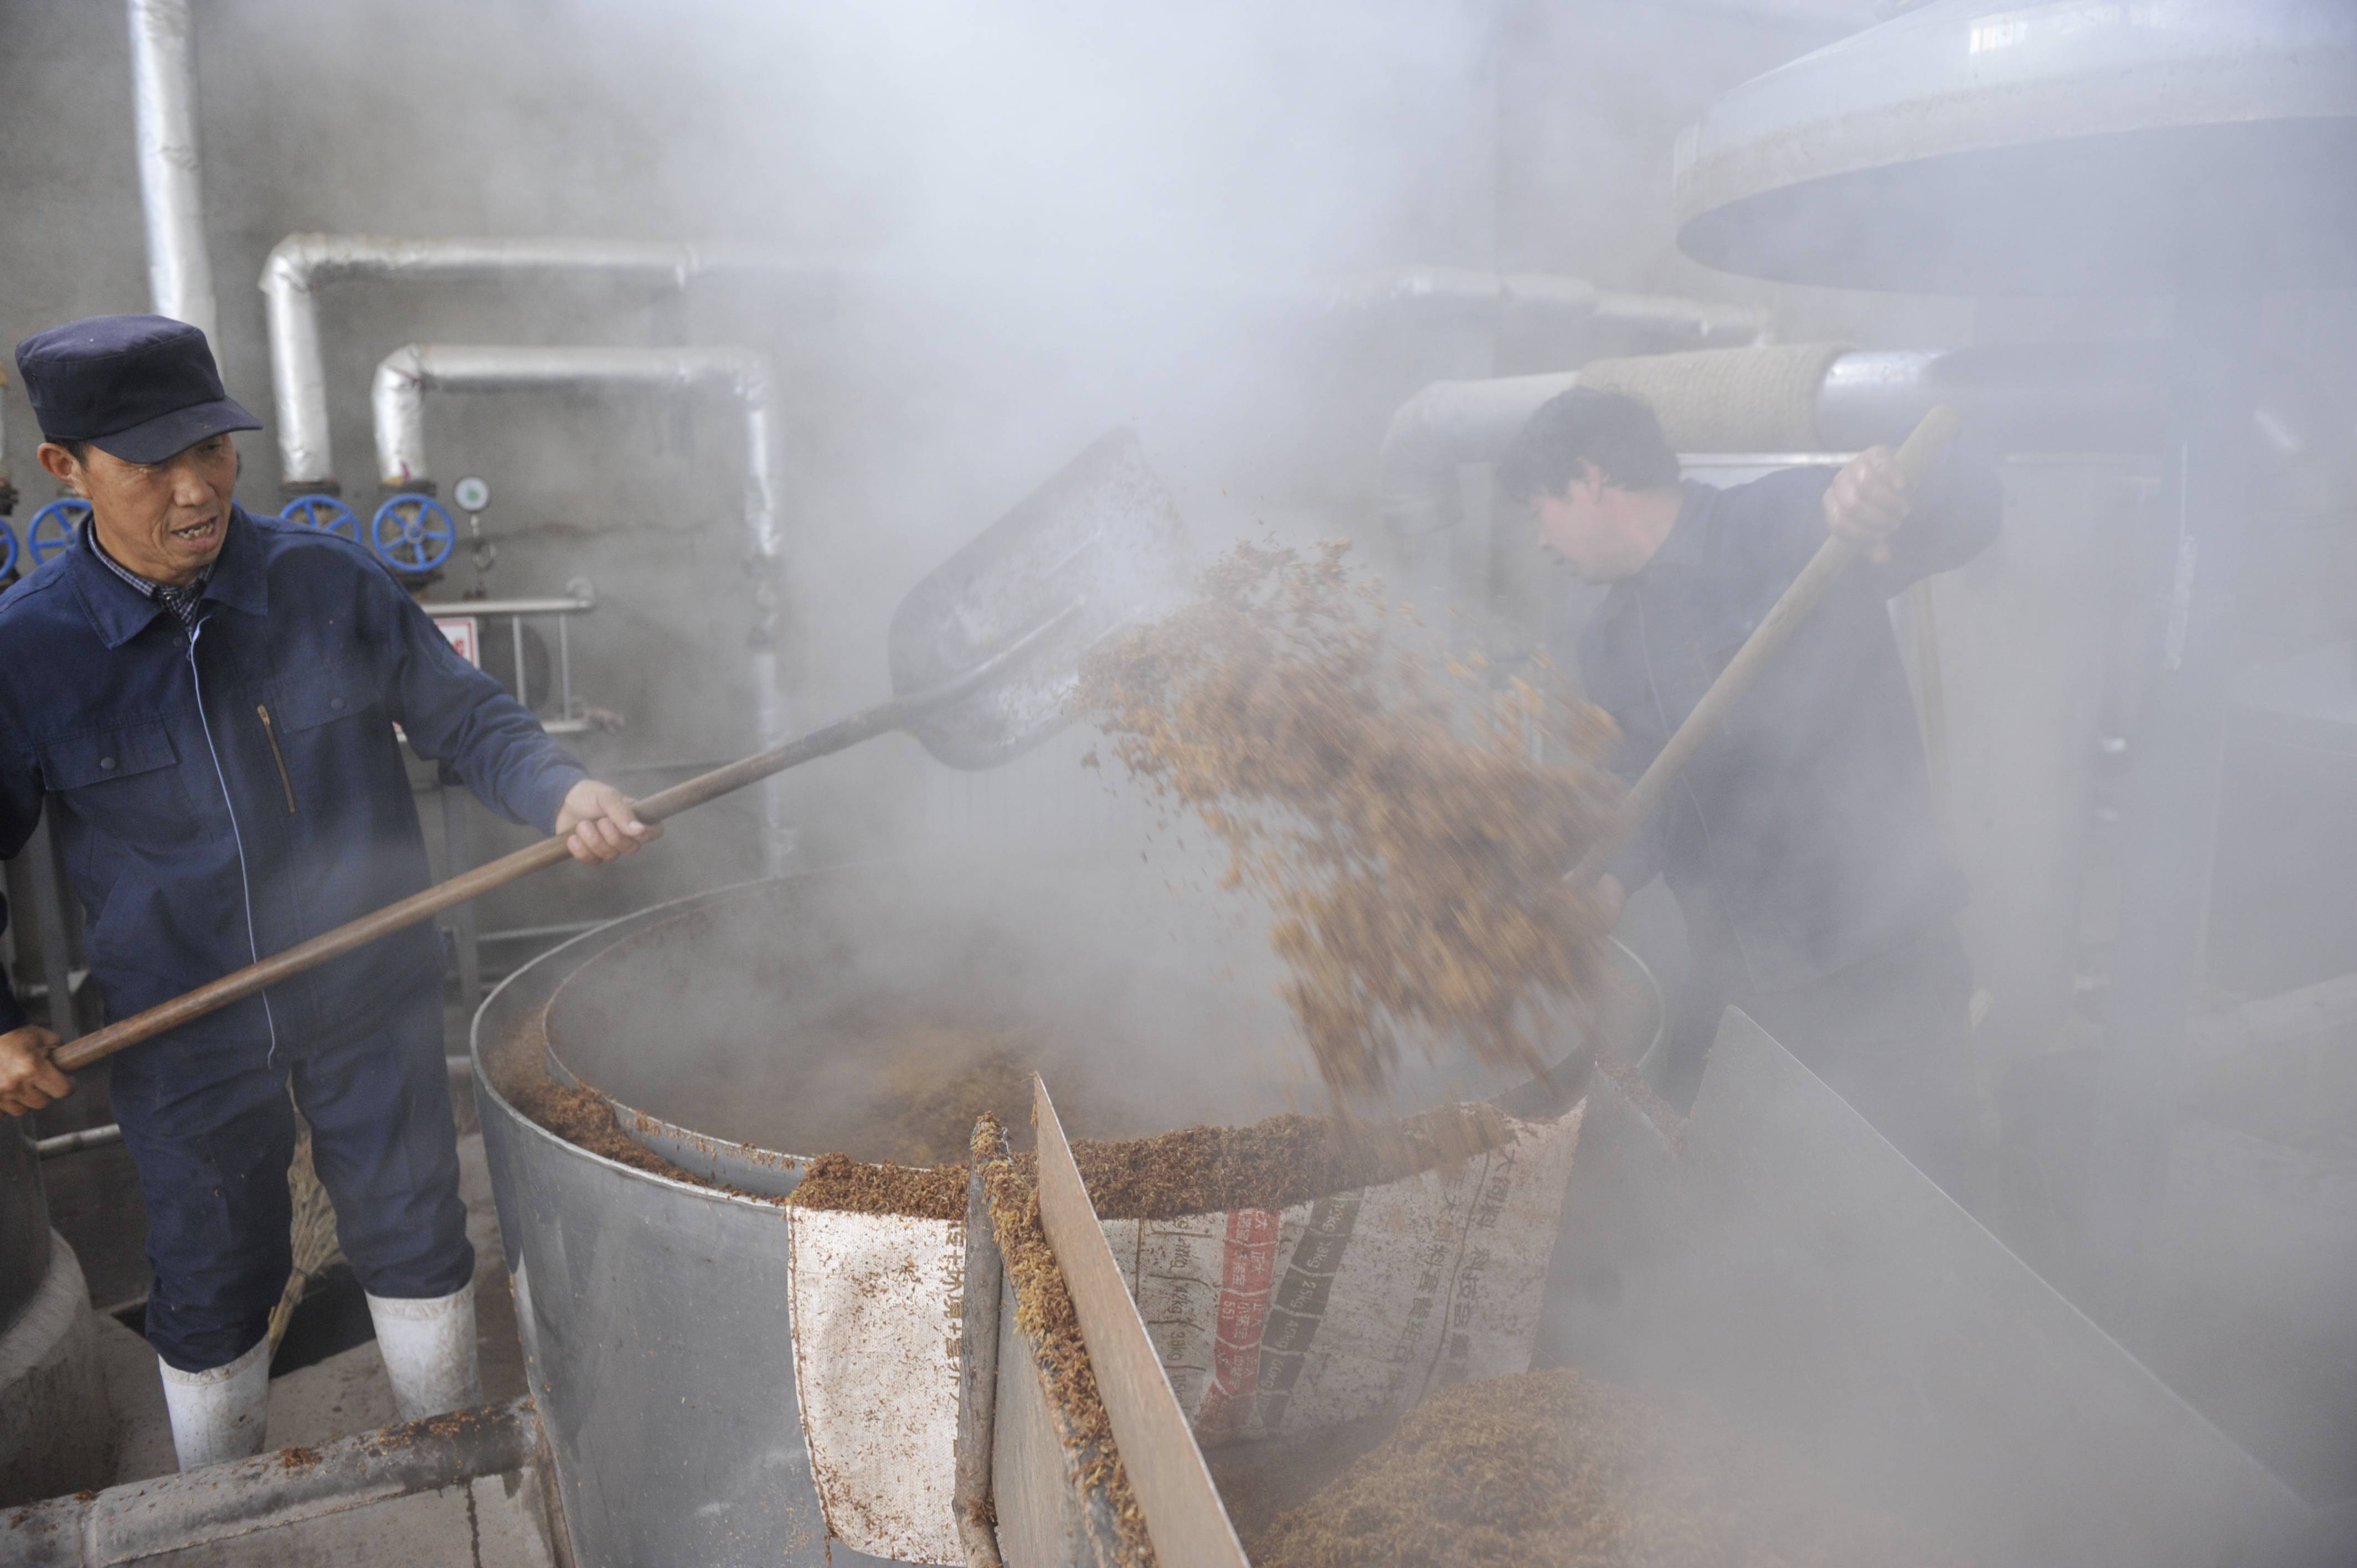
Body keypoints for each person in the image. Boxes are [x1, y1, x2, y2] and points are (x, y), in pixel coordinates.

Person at [0, 315, 661, 1468]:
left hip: (367, 979)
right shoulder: (30, 652)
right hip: (183, 1018)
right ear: (68, 470)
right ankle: (223, 1511)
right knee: (212, 1273)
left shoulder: (326, 583)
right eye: (154, 465)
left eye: (212, 448)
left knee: (414, 1228)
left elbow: (468, 721)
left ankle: (451, 1464)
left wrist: (557, 788)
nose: (198, 488)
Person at [1499, 387, 2000, 1199]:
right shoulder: (1610, 639)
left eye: (1537, 507)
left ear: (1590, 480)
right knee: (1725, 1213)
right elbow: (1643, 791)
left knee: (1917, 1216)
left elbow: (1976, 508)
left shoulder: (1786, 525)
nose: (1540, 538)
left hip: (1875, 962)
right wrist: (1613, 883)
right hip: (1737, 984)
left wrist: (1889, 488)